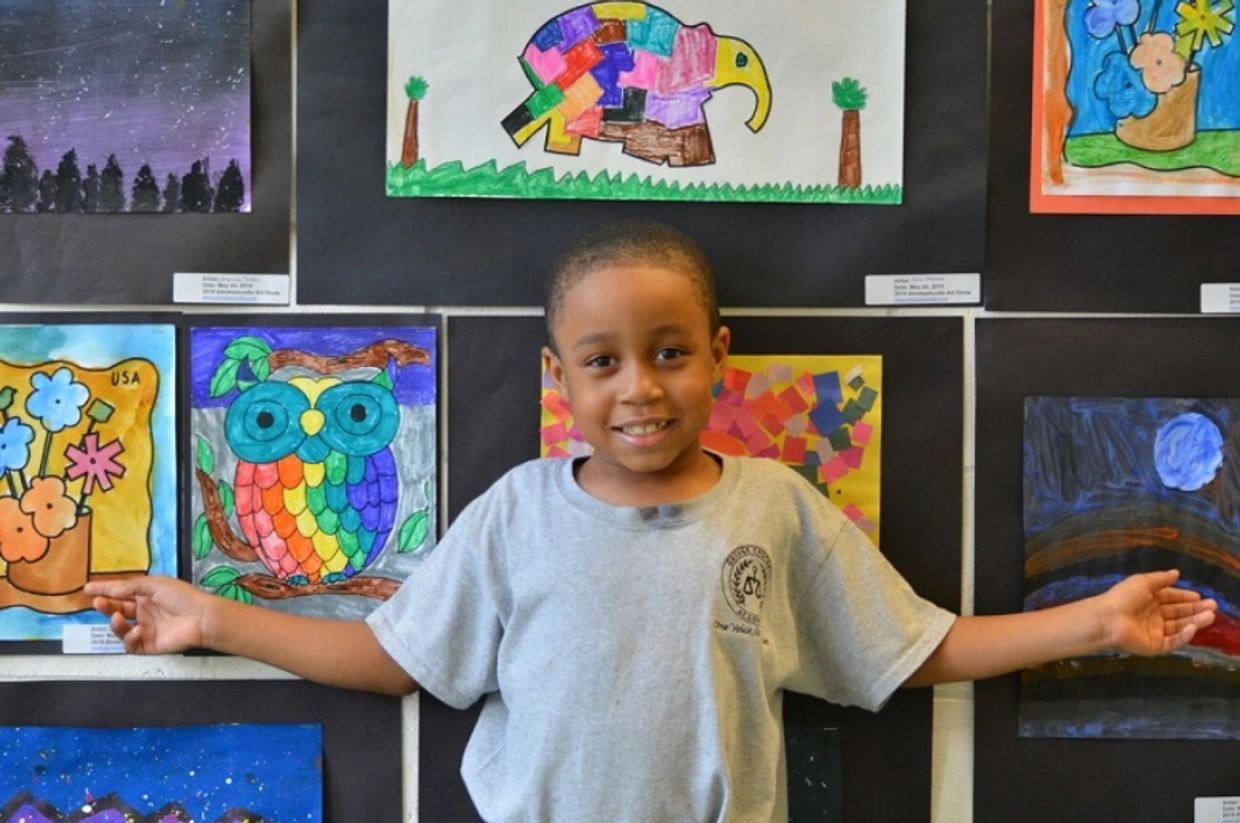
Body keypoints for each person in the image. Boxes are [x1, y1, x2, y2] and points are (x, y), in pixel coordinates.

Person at [87, 222, 1218, 822]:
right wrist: (214, 620)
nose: (639, 386)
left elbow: (913, 647)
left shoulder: (772, 504)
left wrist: (1094, 624)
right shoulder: (519, 511)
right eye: (603, 361)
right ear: (558, 378)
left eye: (669, 352)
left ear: (717, 356)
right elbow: (395, 658)